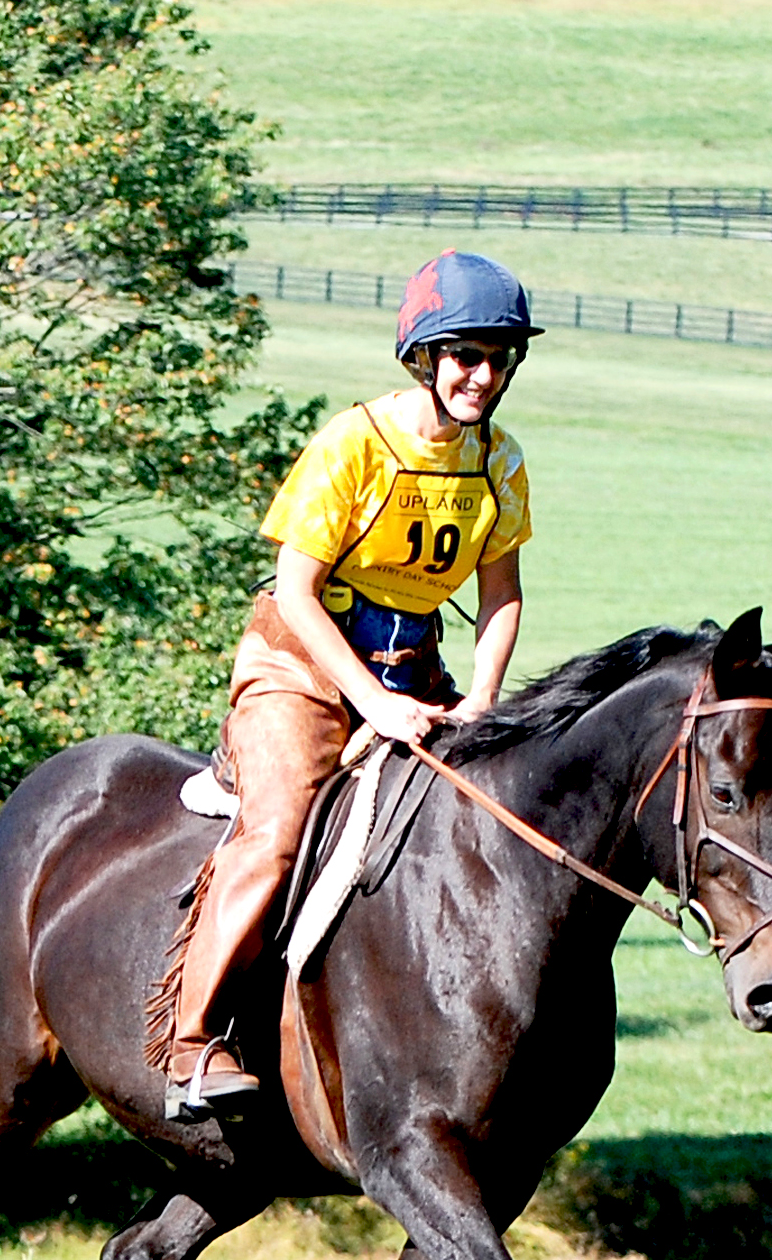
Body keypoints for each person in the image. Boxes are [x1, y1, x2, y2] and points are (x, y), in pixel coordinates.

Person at [158, 250, 540, 1119]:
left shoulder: (501, 461)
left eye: (498, 359)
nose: (483, 377)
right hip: (303, 665)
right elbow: (296, 590)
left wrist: (479, 700)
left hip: (417, 672)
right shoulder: (354, 443)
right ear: (425, 357)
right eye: (466, 356)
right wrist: (370, 703)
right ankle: (192, 1039)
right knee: (281, 831)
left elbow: (502, 595)